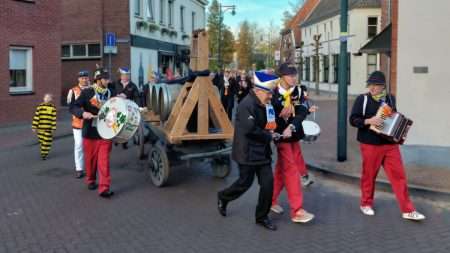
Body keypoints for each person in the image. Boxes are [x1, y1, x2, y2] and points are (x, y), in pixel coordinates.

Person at [349, 71, 425, 221]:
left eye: (376, 85)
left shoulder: (390, 98)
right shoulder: (362, 99)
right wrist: (368, 121)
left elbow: (392, 117)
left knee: (399, 176)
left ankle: (407, 210)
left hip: (390, 144)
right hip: (370, 144)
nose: (372, 88)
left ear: (383, 86)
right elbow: (353, 119)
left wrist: (399, 130)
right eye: (370, 84)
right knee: (369, 176)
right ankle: (365, 203)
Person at [217, 71, 279, 231]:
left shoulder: (267, 104)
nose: (270, 96)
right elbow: (251, 130)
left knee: (268, 184)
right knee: (244, 183)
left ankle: (262, 217)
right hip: (247, 152)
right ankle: (223, 197)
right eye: (268, 93)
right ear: (258, 91)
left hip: (262, 152)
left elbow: (271, 123)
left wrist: (276, 126)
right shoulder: (246, 105)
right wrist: (269, 136)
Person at [270, 63, 317, 223]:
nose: (294, 78)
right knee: (290, 170)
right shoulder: (272, 93)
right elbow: (268, 116)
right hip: (281, 137)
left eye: (295, 74)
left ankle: (270, 200)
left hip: (294, 134)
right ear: (281, 77)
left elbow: (302, 111)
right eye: (290, 75)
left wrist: (291, 125)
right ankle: (297, 210)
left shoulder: (298, 91)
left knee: (281, 172)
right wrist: (280, 118)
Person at [70, 68, 115, 198]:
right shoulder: (87, 92)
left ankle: (104, 188)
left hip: (106, 132)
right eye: (106, 79)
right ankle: (90, 179)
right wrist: (83, 113)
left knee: (104, 161)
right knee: (90, 161)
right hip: (90, 132)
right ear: (98, 80)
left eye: (108, 78)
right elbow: (73, 107)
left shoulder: (111, 92)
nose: (108, 81)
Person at [67, 70, 91, 178]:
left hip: (91, 122)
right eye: (82, 78)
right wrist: (80, 113)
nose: (84, 80)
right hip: (78, 123)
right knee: (79, 145)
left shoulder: (93, 89)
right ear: (78, 79)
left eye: (86, 78)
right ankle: (79, 169)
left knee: (90, 146)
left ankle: (90, 167)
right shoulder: (73, 91)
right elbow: (71, 108)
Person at [114, 67, 139, 149]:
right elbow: (109, 91)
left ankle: (124, 142)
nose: (126, 76)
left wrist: (138, 107)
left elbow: (137, 97)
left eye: (127, 75)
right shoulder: (115, 83)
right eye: (124, 75)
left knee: (126, 126)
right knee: (116, 124)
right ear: (121, 75)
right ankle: (116, 139)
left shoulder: (133, 85)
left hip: (128, 109)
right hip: (116, 108)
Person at [32, 93, 57, 160]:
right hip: (40, 128)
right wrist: (34, 126)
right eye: (46, 97)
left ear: (51, 99)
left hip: (48, 128)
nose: (47, 99)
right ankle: (43, 151)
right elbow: (36, 117)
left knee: (47, 141)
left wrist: (53, 127)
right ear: (43, 98)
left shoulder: (53, 108)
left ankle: (44, 154)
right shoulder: (40, 107)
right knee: (41, 141)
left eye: (49, 98)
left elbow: (53, 118)